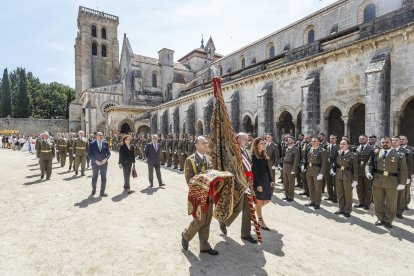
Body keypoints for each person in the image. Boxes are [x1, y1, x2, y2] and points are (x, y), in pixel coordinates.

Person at [181, 136, 218, 255]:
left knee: (207, 220)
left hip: (209, 195)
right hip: (198, 196)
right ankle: (186, 235)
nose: (206, 145)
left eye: (206, 143)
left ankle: (204, 246)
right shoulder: (190, 160)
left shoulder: (209, 159)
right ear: (196, 145)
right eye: (203, 143)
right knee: (199, 220)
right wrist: (203, 181)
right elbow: (189, 180)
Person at [218, 132, 257, 244]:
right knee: (238, 207)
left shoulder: (247, 152)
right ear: (238, 140)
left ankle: (246, 234)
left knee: (249, 209)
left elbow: (249, 168)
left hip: (248, 183)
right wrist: (241, 183)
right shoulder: (234, 152)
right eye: (244, 139)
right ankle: (224, 222)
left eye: (247, 139)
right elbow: (232, 169)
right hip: (238, 184)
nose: (247, 141)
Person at [366, 137, 407, 228]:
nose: (385, 144)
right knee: (378, 201)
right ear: (381, 143)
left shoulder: (399, 154)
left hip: (391, 181)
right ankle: (380, 218)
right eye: (383, 142)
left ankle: (389, 220)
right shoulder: (376, 153)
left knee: (391, 202)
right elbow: (369, 164)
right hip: (377, 180)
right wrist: (368, 172)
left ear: (391, 143)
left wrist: (402, 182)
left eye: (387, 142)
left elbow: (403, 169)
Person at [251, 137, 275, 230]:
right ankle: (260, 220)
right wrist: (257, 185)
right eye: (261, 143)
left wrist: (271, 180)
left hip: (265, 180)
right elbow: (254, 172)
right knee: (259, 200)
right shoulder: (253, 156)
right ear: (256, 145)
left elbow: (267, 169)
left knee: (267, 200)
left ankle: (252, 213)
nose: (263, 145)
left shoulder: (263, 155)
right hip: (258, 180)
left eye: (264, 143)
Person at [332, 139, 358, 217]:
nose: (342, 145)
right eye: (340, 144)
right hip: (339, 175)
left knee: (348, 194)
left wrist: (355, 180)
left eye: (343, 144)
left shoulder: (352, 155)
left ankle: (347, 210)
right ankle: (341, 208)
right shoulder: (339, 153)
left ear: (348, 145)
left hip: (347, 176)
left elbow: (355, 168)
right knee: (340, 193)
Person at [303, 137, 328, 210]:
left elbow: (324, 164)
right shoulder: (309, 149)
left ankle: (317, 203)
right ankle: (312, 201)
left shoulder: (322, 151)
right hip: (309, 170)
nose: (312, 142)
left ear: (319, 142)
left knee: (317, 188)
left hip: (317, 171)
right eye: (312, 141)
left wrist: (321, 173)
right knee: (311, 187)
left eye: (315, 141)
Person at [391, 136, 413, 219]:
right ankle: (391, 210)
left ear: (400, 142)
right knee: (391, 193)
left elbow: (409, 166)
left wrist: (408, 178)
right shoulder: (389, 151)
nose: (394, 142)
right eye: (392, 140)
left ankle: (399, 212)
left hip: (401, 176)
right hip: (391, 176)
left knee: (401, 195)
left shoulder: (406, 152)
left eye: (396, 140)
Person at [88, 132, 111, 197]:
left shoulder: (105, 143)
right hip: (95, 164)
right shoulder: (92, 144)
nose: (101, 136)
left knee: (103, 178)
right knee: (95, 177)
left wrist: (106, 159)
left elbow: (108, 154)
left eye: (102, 135)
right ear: (96, 136)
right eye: (100, 135)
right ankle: (94, 189)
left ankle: (102, 192)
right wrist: (95, 160)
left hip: (104, 164)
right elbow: (89, 154)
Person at [354, 134, 374, 210]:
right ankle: (361, 202)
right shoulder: (357, 148)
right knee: (359, 188)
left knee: (367, 188)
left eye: (363, 138)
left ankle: (367, 204)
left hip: (367, 172)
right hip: (359, 172)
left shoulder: (371, 149)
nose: (361, 139)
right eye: (360, 138)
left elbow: (371, 161)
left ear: (366, 140)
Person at [282, 135, 300, 202]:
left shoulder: (296, 149)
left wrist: (293, 169)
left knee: (291, 183)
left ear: (293, 141)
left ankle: (290, 197)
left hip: (291, 167)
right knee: (285, 183)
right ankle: (286, 195)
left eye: (289, 139)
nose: (288, 140)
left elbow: (296, 160)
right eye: (287, 139)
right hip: (285, 167)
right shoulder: (287, 148)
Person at [400, 135, 413, 210]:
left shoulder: (411, 149)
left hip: (408, 171)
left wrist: (409, 176)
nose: (401, 140)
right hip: (400, 173)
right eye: (400, 139)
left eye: (403, 139)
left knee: (407, 190)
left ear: (407, 141)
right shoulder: (396, 149)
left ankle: (406, 203)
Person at [325, 134, 339, 203]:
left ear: (336, 139)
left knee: (335, 183)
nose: (331, 139)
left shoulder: (338, 147)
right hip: (328, 166)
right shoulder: (327, 146)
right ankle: (330, 196)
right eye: (330, 138)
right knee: (329, 182)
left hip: (335, 166)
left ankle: (335, 197)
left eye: (333, 138)